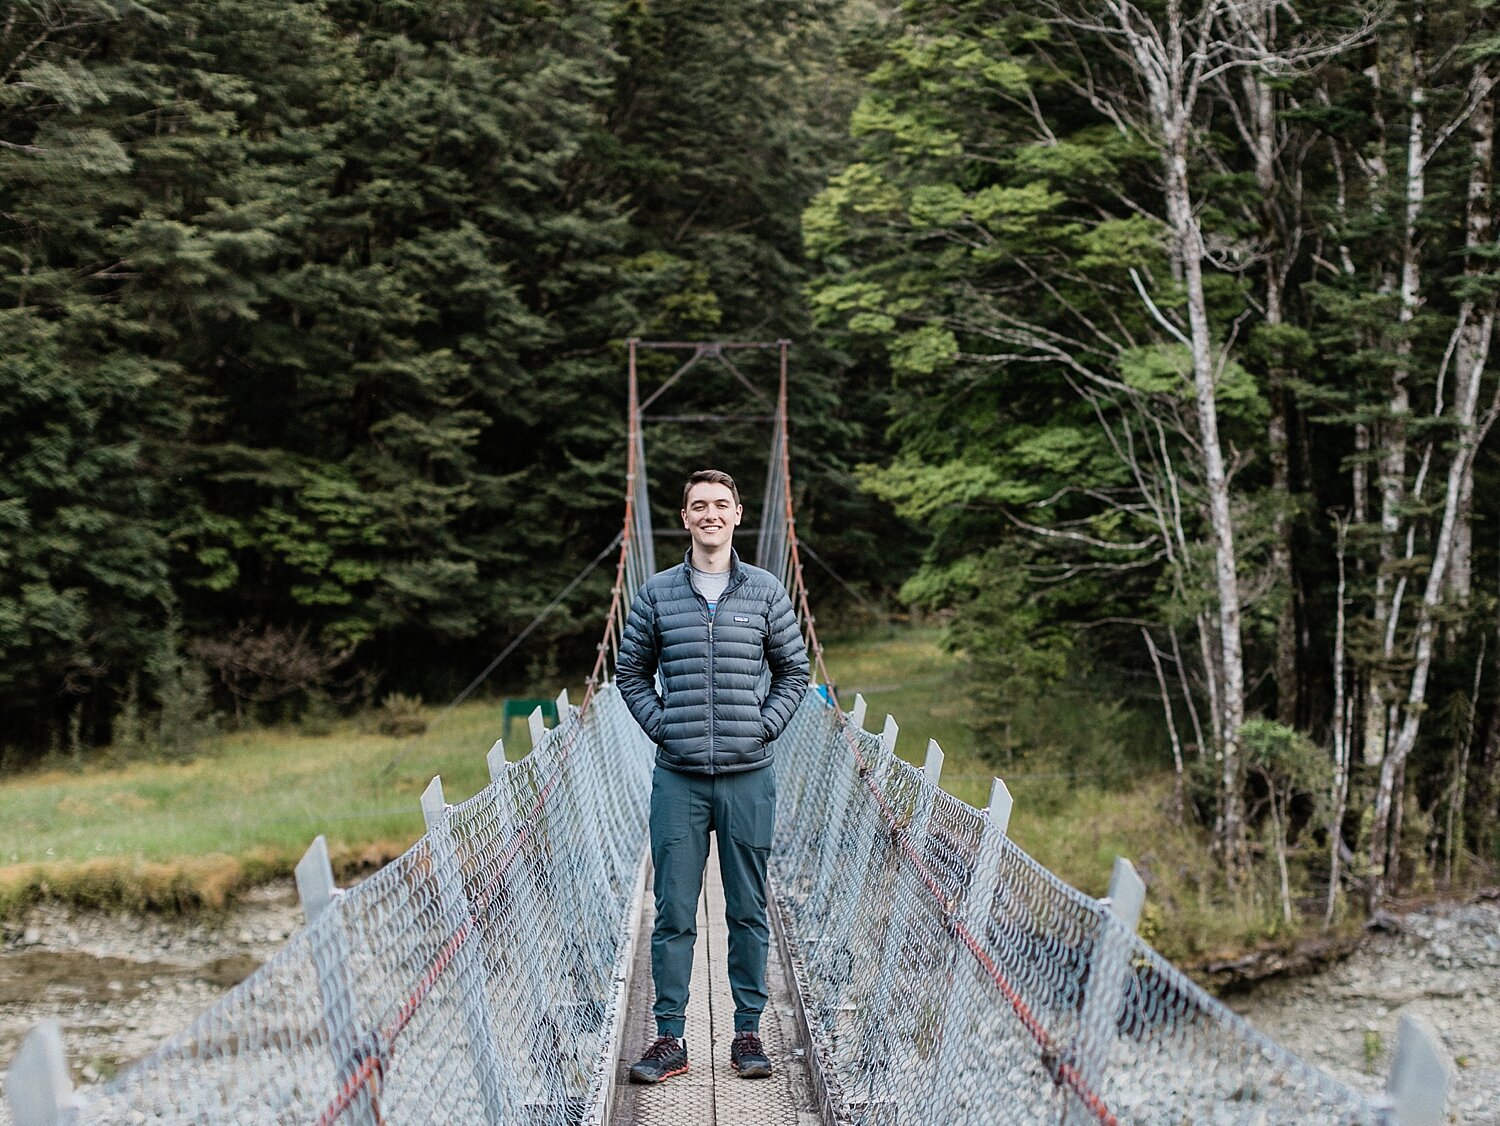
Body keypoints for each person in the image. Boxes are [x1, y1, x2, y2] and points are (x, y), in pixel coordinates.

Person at [616, 468, 810, 1083]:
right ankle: (669, 1038)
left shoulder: (766, 592)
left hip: (749, 775)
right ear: (684, 518)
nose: (710, 514)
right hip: (678, 778)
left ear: (738, 514)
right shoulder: (654, 594)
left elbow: (794, 674)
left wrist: (764, 727)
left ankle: (748, 1033)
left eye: (720, 505)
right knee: (673, 909)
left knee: (748, 907)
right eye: (698, 505)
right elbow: (629, 673)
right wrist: (664, 727)